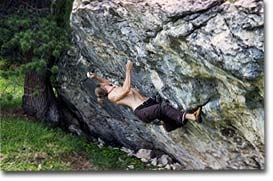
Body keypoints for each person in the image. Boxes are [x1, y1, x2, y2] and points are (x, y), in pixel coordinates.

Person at [87, 60, 202, 132]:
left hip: (148, 102)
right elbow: (126, 89)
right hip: (141, 111)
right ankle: (192, 117)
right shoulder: (112, 96)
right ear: (104, 88)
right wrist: (128, 70)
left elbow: (103, 81)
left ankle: (170, 126)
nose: (105, 82)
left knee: (166, 114)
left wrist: (95, 77)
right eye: (104, 84)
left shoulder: (113, 88)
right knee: (163, 108)